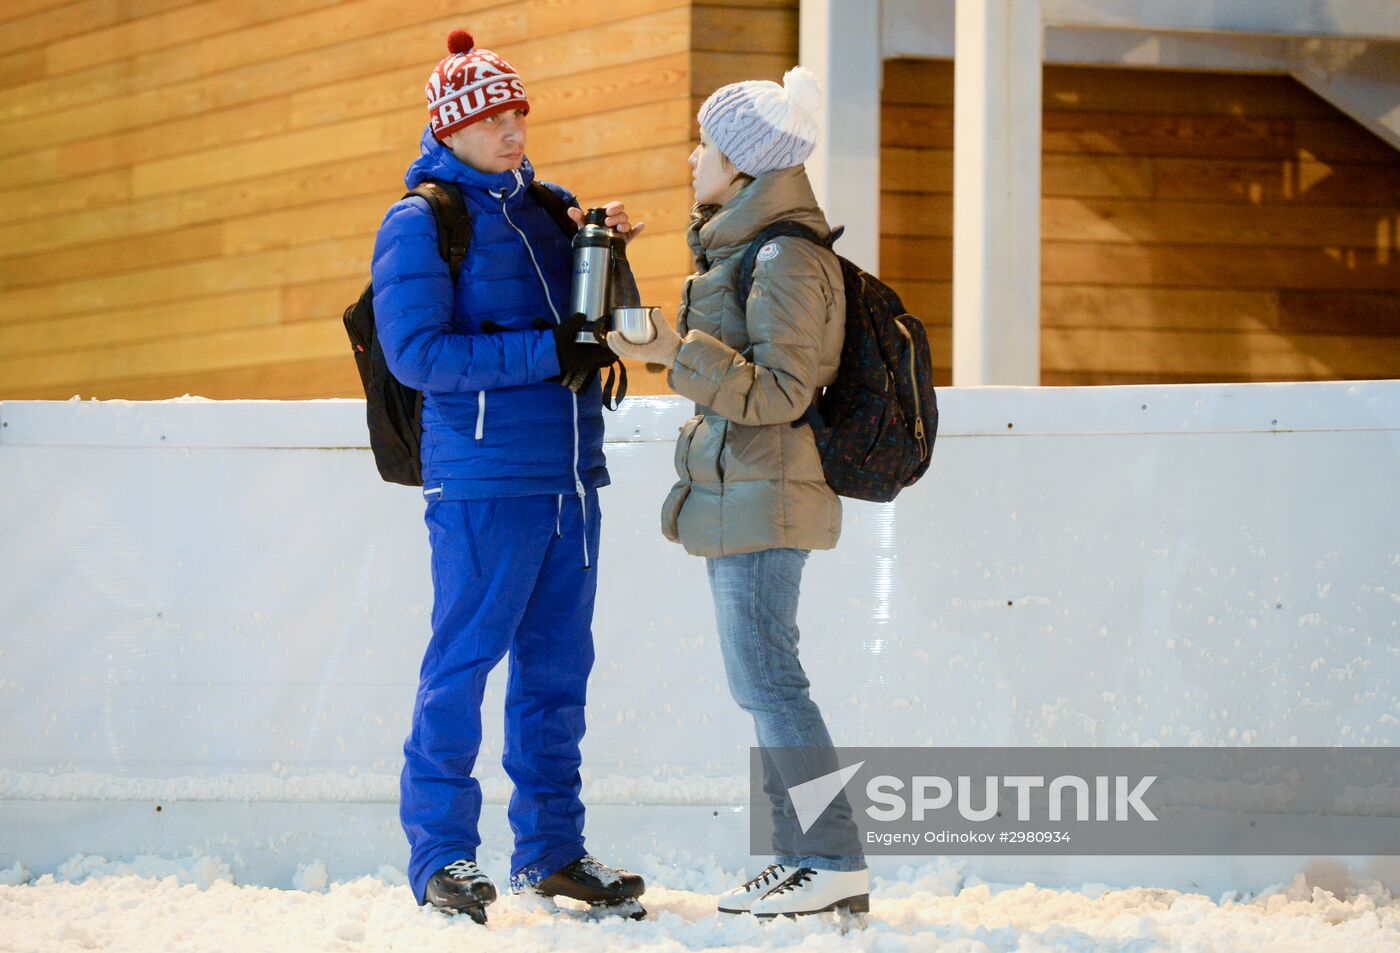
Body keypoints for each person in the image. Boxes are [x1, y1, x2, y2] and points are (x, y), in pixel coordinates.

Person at [370, 29, 647, 923]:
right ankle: (442, 854)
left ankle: (552, 851)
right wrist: (544, 350)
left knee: (558, 673)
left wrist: (610, 254)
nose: (511, 124)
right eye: (491, 112)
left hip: (570, 477)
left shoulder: (549, 210)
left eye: (518, 108)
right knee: (463, 665)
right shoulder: (422, 222)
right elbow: (416, 354)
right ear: (449, 127)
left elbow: (599, 323)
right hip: (484, 478)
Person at [605, 66, 868, 918]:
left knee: (771, 680)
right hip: (747, 487)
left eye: (706, 145)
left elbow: (783, 391)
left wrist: (672, 352)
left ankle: (829, 857)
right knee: (762, 680)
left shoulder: (786, 255)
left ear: (744, 167)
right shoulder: (751, 242)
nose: (692, 157)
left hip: (770, 490)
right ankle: (804, 857)